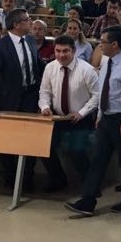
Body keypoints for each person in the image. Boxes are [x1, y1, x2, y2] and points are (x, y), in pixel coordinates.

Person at [65, 26, 121, 216]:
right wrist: (100, 115)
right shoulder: (108, 62)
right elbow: (103, 92)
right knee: (98, 160)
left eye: (103, 42)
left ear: (115, 44)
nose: (100, 45)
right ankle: (88, 200)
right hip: (107, 118)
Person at [0, 9, 43, 192]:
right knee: (8, 140)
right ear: (17, 24)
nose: (30, 22)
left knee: (30, 139)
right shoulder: (0, 46)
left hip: (30, 95)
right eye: (27, 19)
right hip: (9, 98)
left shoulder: (30, 40)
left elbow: (38, 65)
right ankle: (10, 177)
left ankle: (27, 178)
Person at [38, 35, 99, 191]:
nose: (61, 55)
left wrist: (81, 113)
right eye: (58, 51)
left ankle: (90, 187)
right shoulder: (50, 67)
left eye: (65, 51)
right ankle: (58, 180)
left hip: (80, 118)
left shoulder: (87, 70)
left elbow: (97, 96)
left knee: (76, 150)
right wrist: (45, 107)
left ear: (73, 50)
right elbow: (44, 91)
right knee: (44, 147)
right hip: (57, 118)